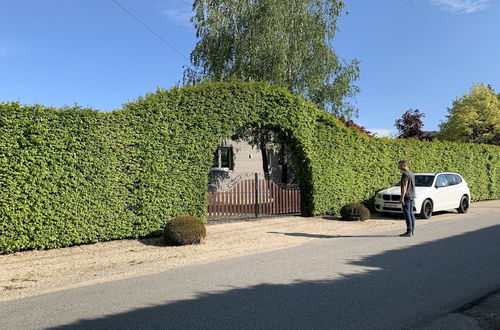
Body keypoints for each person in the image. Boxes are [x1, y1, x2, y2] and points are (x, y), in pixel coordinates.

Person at [398, 160, 416, 237]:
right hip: (412, 195)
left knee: (407, 213)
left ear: (404, 165)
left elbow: (404, 186)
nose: (398, 167)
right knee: (411, 213)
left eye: (400, 165)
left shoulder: (405, 174)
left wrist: (402, 197)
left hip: (407, 196)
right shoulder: (411, 173)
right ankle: (412, 231)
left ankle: (409, 231)